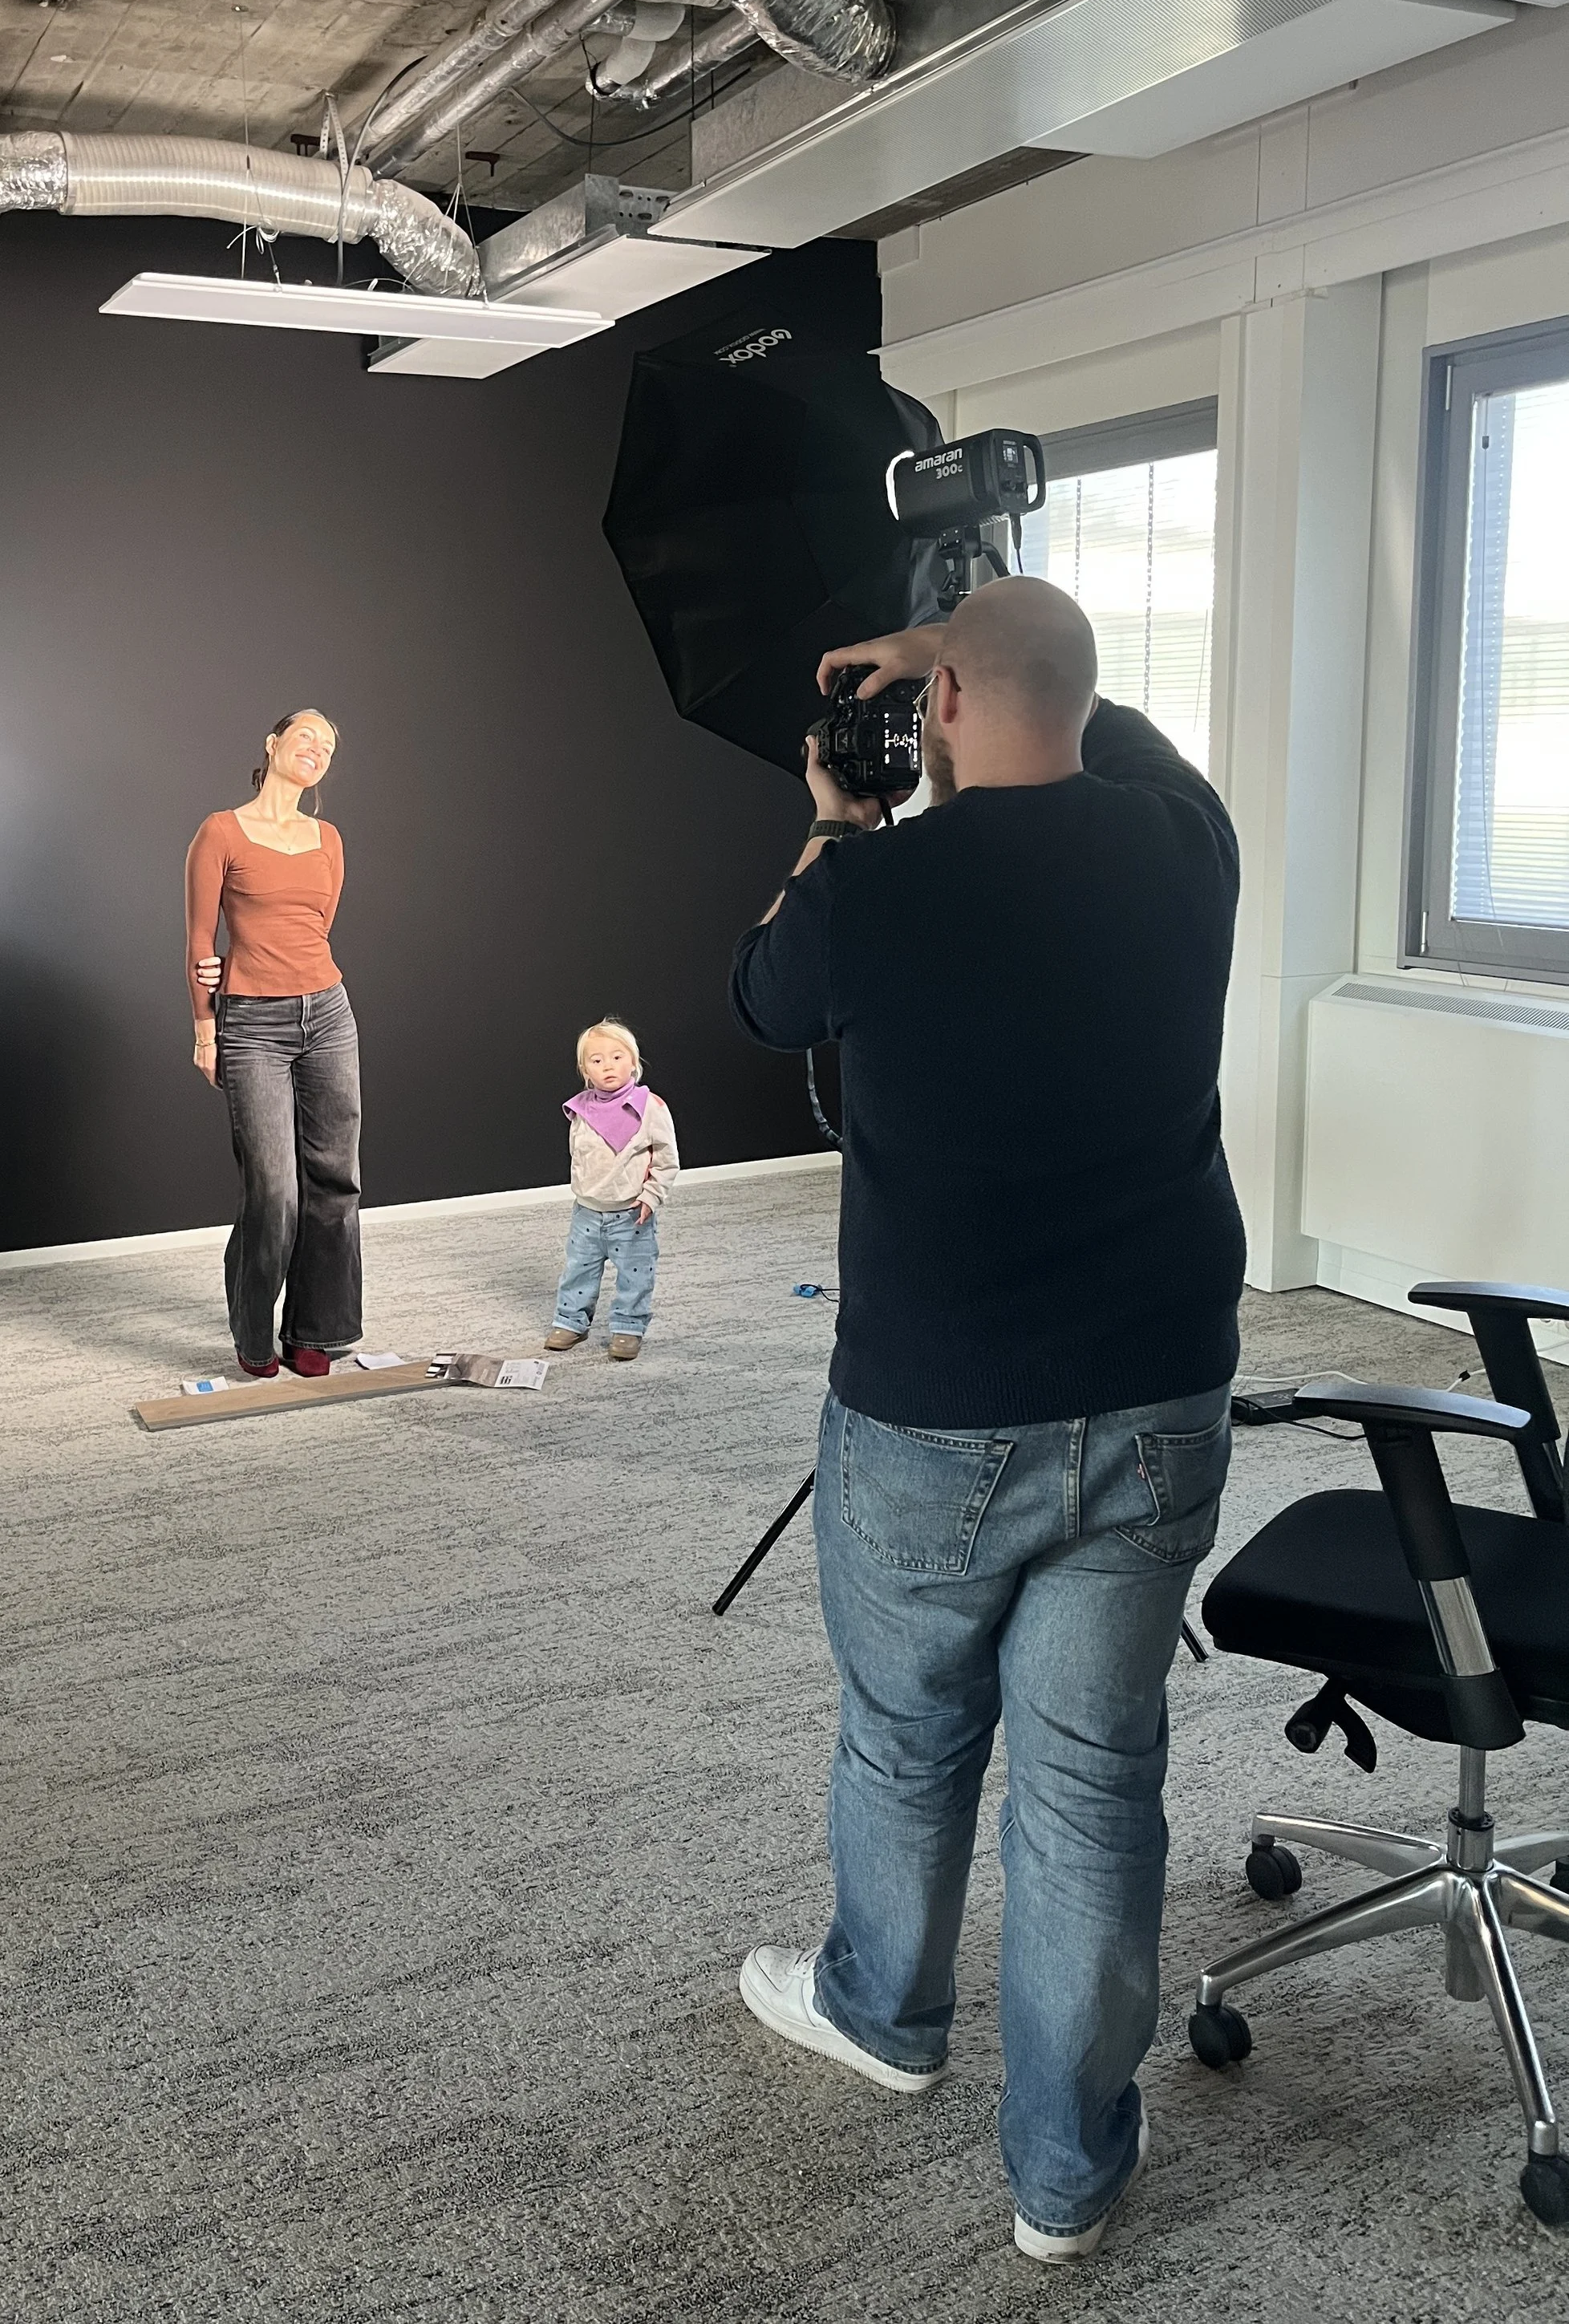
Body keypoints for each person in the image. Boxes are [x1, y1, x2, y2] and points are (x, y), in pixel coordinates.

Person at [728, 576, 1246, 2264]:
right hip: (1156, 1395)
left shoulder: (872, 883)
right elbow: (1108, 728)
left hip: (933, 1413)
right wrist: (979, 650)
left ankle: (882, 2010)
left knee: (906, 1734)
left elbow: (760, 1001)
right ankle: (1063, 2176)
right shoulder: (1188, 847)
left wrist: (833, 812)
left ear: (935, 710)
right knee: (1093, 1788)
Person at [185, 708, 361, 1381]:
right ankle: (254, 1334)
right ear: (273, 744)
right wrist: (207, 1029)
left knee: (335, 1182)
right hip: (252, 1023)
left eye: (328, 745)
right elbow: (201, 943)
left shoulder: (328, 838)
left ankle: (316, 1331)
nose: (315, 749)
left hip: (329, 1014)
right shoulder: (221, 831)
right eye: (305, 736)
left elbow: (313, 928)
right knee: (274, 1190)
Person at [543, 1018, 679, 1363]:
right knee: (578, 1269)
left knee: (636, 1274)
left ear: (634, 1062)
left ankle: (628, 1326)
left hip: (631, 1214)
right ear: (585, 1069)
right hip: (587, 1212)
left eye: (617, 1057)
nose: (608, 1066)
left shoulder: (651, 1108)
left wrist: (651, 1196)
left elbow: (667, 1160)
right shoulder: (580, 1110)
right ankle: (571, 1320)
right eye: (597, 1060)